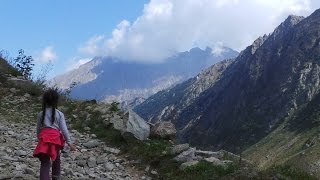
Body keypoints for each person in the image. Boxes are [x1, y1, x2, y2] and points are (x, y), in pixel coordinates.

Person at [33, 88, 76, 180]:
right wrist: (69, 143)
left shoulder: (41, 114)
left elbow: (38, 129)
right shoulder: (60, 114)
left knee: (45, 163)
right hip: (56, 140)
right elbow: (64, 130)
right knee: (56, 158)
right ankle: (55, 177)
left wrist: (39, 139)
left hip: (44, 139)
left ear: (45, 101)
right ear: (56, 101)